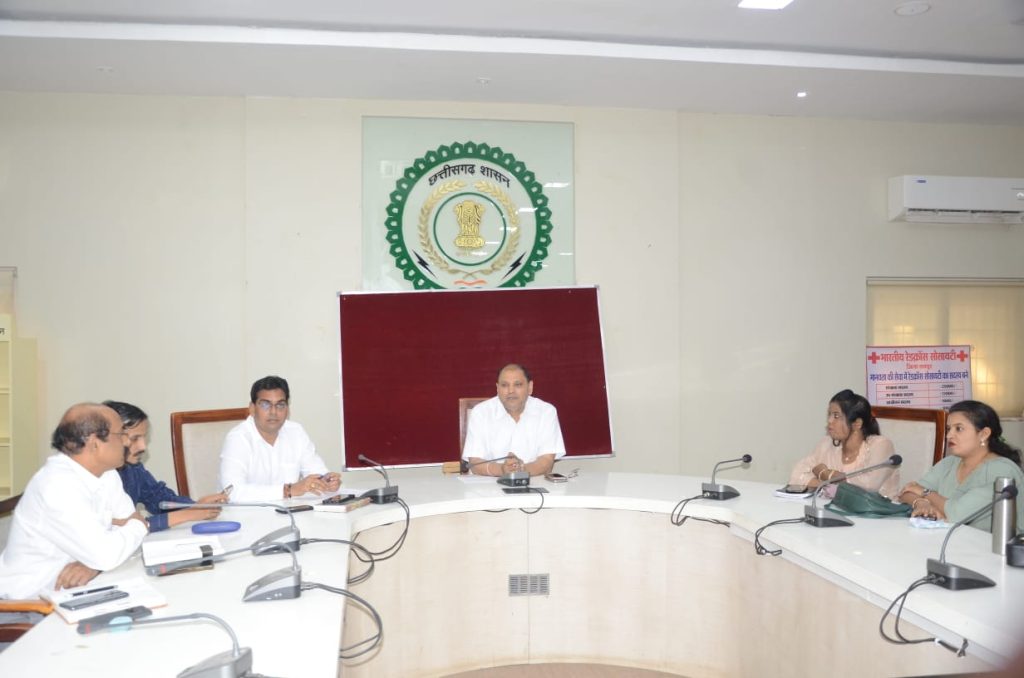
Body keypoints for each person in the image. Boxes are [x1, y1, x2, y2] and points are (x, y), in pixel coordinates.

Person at [0, 404, 147, 599]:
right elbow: (111, 549)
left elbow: (117, 544)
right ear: (94, 443)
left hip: (74, 592)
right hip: (26, 605)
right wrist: (138, 524)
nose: (128, 442)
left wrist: (93, 565)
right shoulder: (57, 485)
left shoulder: (106, 473)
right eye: (121, 434)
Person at [898, 399, 1023, 530]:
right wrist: (922, 504)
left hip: (992, 542)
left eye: (959, 429)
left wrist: (924, 492)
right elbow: (906, 493)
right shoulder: (949, 462)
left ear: (984, 434)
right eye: (949, 429)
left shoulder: (1001, 470)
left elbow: (956, 514)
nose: (949, 435)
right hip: (949, 539)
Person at [104, 400, 227, 532]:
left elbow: (160, 500)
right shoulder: (95, 476)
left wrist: (197, 506)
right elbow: (118, 528)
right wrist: (188, 514)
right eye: (134, 439)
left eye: (144, 438)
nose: (143, 446)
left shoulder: (133, 468)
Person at [219, 375, 341, 502]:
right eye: (265, 405)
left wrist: (327, 482)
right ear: (252, 408)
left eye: (280, 405)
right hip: (245, 513)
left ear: (287, 409)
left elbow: (317, 472)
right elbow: (232, 492)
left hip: (289, 511)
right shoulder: (238, 438)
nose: (273, 412)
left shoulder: (296, 432)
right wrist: (288, 490)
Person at [788, 389, 900, 498]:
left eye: (836, 416)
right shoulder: (827, 444)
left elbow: (868, 485)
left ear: (857, 423)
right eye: (829, 415)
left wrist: (825, 474)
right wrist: (827, 487)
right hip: (834, 509)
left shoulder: (880, 445)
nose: (830, 421)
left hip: (876, 510)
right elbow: (797, 475)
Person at [462, 363, 566, 477]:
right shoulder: (480, 413)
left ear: (530, 387)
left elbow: (547, 461)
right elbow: (475, 463)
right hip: (489, 484)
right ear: (497, 388)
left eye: (518, 385)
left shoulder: (546, 412)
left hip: (533, 482)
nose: (511, 390)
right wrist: (502, 470)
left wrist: (521, 470)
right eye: (504, 385)